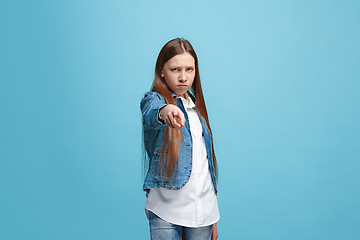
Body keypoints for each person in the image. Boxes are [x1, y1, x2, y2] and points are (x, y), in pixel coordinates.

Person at [140, 38, 220, 240]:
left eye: (189, 69)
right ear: (162, 71)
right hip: (166, 211)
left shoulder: (196, 108)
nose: (184, 77)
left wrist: (213, 216)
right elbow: (152, 112)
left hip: (203, 214)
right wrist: (167, 111)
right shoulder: (154, 100)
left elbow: (205, 166)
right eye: (175, 69)